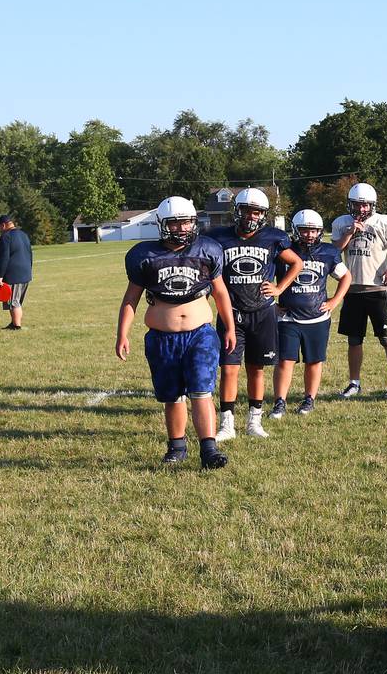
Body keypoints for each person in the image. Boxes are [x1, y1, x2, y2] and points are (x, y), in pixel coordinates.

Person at [116, 196, 235, 469]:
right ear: (162, 224)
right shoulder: (144, 255)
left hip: (199, 333)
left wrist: (229, 326)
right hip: (162, 336)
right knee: (172, 395)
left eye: (187, 222)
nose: (182, 228)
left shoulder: (207, 249)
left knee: (202, 390)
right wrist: (122, 333)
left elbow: (220, 292)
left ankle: (209, 450)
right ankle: (177, 446)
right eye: (176, 222)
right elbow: (130, 299)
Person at [203, 187, 301, 440]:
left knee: (256, 368)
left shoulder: (272, 237)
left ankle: (253, 422)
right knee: (229, 369)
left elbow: (297, 262)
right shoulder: (218, 238)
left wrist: (279, 287)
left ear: (263, 215)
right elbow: (207, 267)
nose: (251, 216)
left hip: (263, 311)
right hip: (231, 312)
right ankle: (227, 424)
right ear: (237, 211)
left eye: (256, 212)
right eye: (247, 210)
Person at [331, 182, 387, 399]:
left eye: (365, 205)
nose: (361, 209)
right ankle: (354, 383)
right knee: (354, 340)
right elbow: (332, 252)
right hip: (352, 289)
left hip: (378, 288)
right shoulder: (342, 223)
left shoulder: (385, 222)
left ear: (372, 205)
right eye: (358, 205)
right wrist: (349, 233)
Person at [270, 209, 350, 418]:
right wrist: (272, 303)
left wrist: (334, 301)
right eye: (305, 230)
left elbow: (345, 277)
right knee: (285, 361)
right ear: (296, 230)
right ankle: (280, 402)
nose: (310, 235)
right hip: (288, 317)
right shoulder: (283, 252)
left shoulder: (328, 251)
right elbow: (265, 279)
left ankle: (309, 399)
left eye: (314, 231)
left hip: (318, 317)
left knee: (314, 360)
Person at [0, 214, 32, 330]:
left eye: (0, 227)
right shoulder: (23, 234)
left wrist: (0, 275)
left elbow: (4, 257)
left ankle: (16, 326)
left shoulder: (6, 237)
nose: (0, 230)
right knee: (16, 301)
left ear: (4, 225)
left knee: (13, 302)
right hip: (25, 272)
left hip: (13, 274)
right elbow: (30, 253)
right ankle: (13, 323)